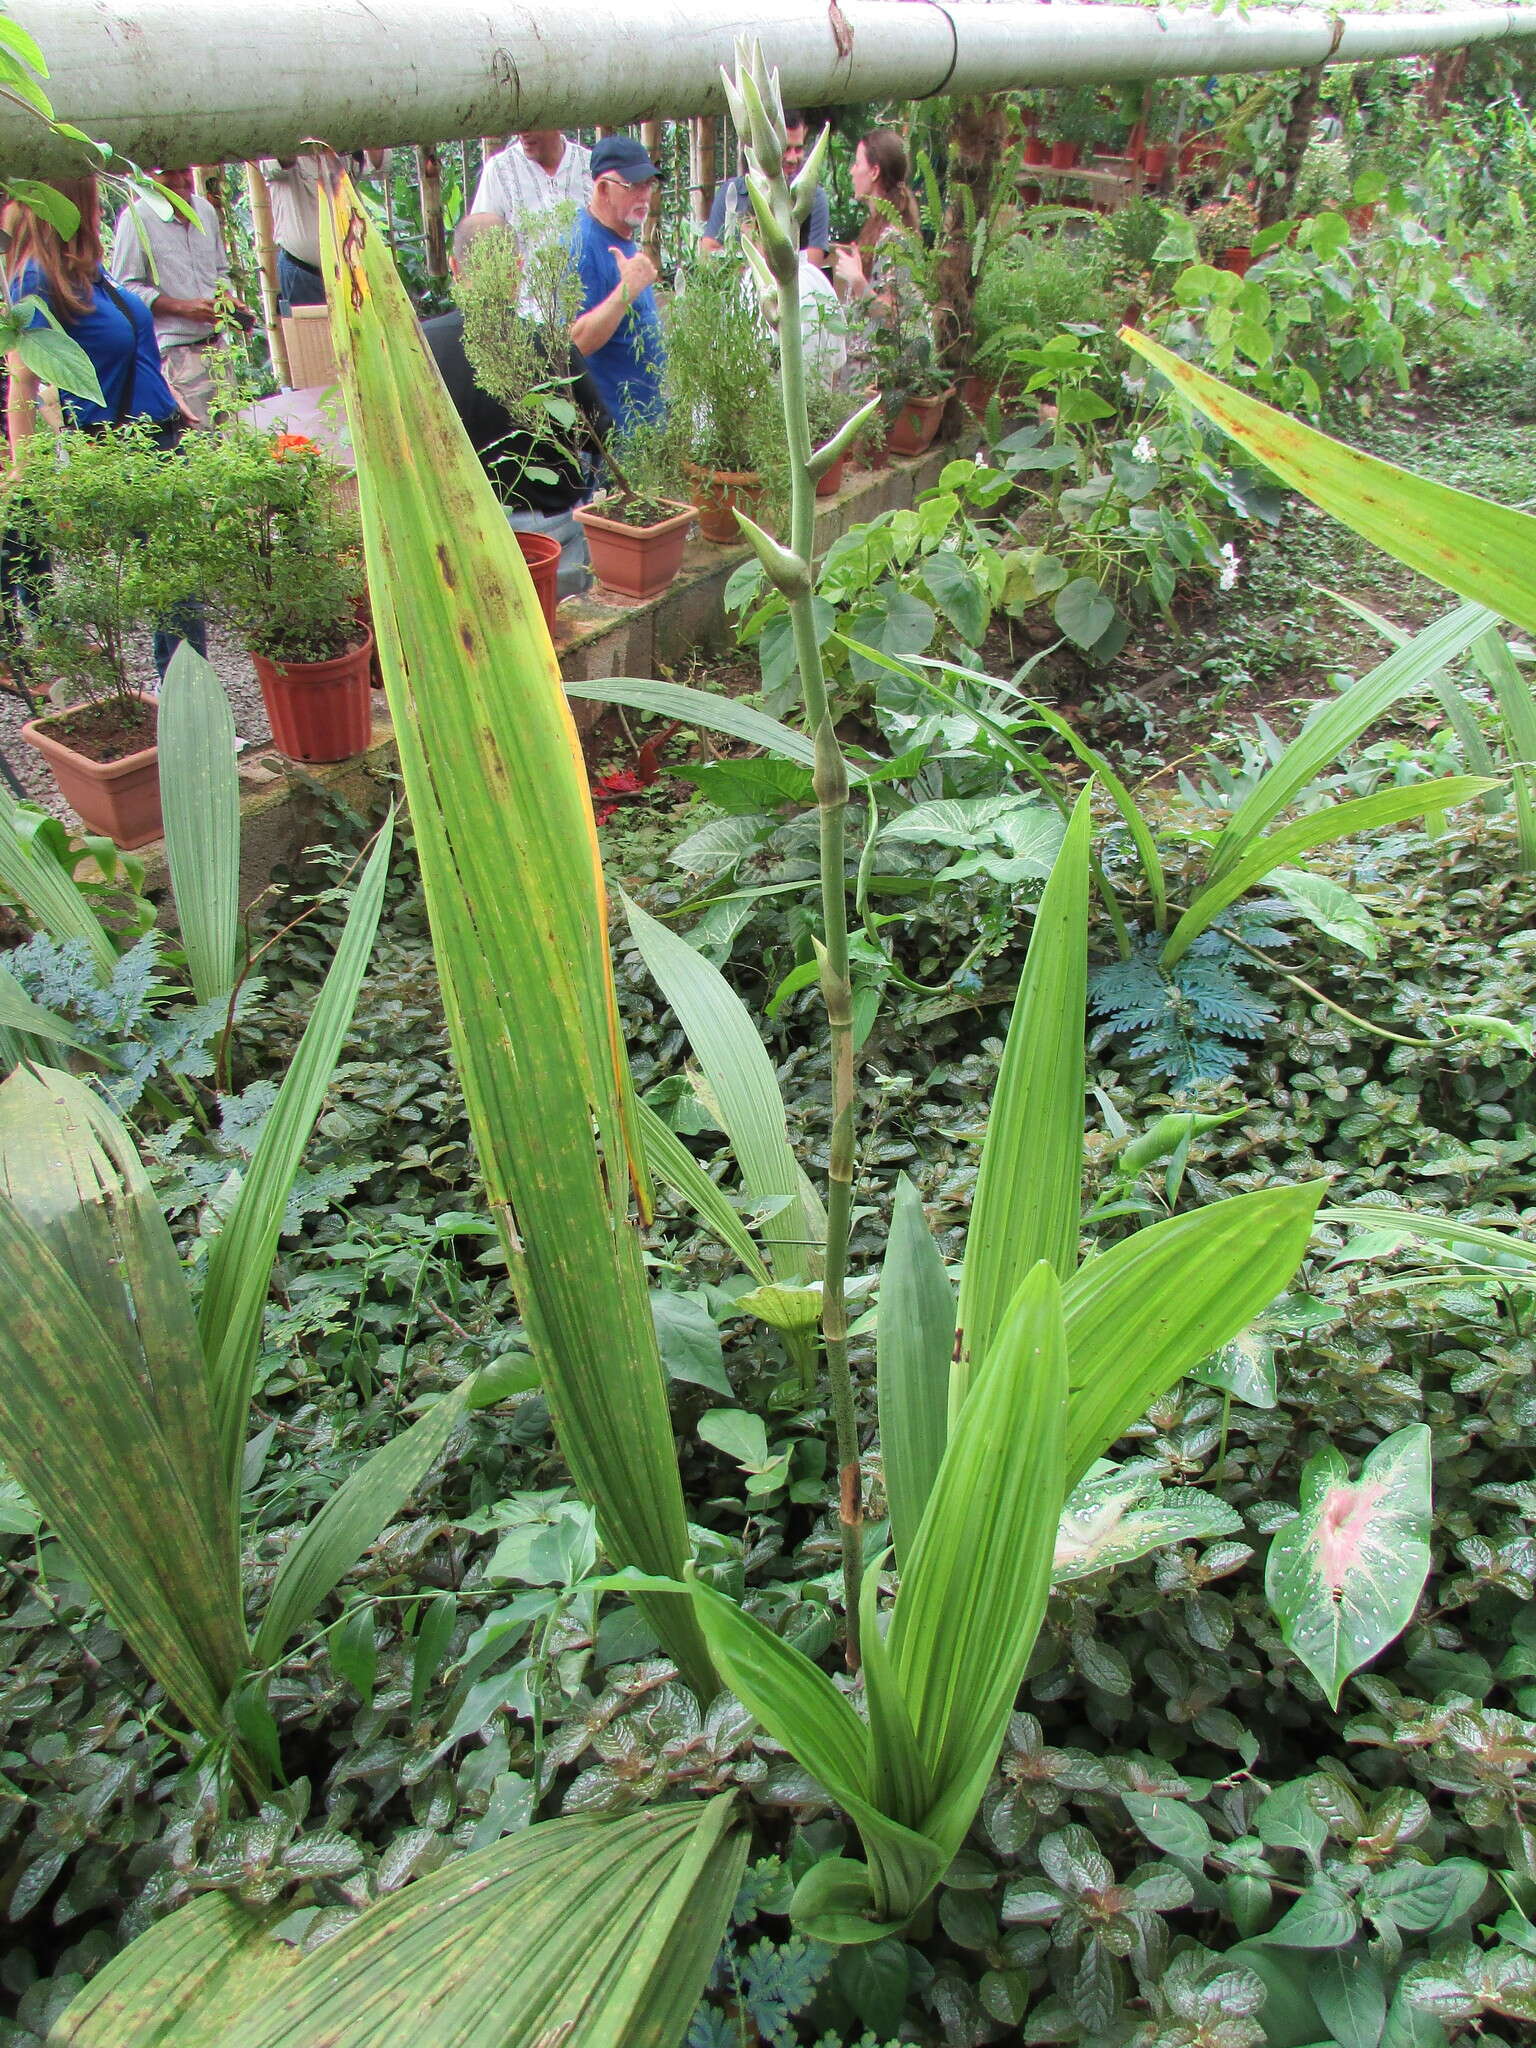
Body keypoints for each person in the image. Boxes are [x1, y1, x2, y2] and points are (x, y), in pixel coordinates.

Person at [3, 175, 205, 678]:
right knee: (173, 585)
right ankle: (187, 710)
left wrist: (166, 390)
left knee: (181, 581)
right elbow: (23, 383)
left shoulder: (86, 270)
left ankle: (187, 702)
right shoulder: (36, 279)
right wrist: (29, 478)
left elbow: (127, 345)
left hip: (160, 433)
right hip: (119, 447)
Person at [423, 212, 610, 599]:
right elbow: (599, 434)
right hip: (553, 541)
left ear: (455, 268)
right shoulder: (550, 347)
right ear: (517, 269)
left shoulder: (420, 348)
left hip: (456, 538)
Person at [109, 165, 254, 426]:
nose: (179, 180)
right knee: (195, 439)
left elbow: (219, 270)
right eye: (167, 172)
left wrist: (226, 299)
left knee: (233, 439)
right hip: (175, 352)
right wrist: (180, 307)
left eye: (184, 171)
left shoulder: (205, 211)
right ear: (149, 177)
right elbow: (123, 289)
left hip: (218, 347)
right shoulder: (136, 218)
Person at [567, 135, 665, 437]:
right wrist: (626, 292)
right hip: (615, 440)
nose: (645, 195)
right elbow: (573, 345)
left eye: (649, 184)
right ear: (602, 188)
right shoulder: (583, 247)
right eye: (633, 185)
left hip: (644, 431)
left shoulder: (619, 236)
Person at [832, 129, 926, 381]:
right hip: (861, 372)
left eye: (857, 163)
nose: (852, 171)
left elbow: (894, 316)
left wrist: (857, 281)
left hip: (875, 379)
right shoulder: (878, 227)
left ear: (874, 172)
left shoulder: (894, 238)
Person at [259, 150, 388, 311]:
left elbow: (380, 165)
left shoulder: (342, 139)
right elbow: (280, 162)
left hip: (351, 268)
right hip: (303, 273)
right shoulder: (277, 142)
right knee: (312, 335)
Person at [700, 110, 830, 265]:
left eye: (798, 149)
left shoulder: (813, 197)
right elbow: (707, 254)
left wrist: (752, 247)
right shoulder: (733, 191)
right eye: (785, 149)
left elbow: (811, 267)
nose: (793, 158)